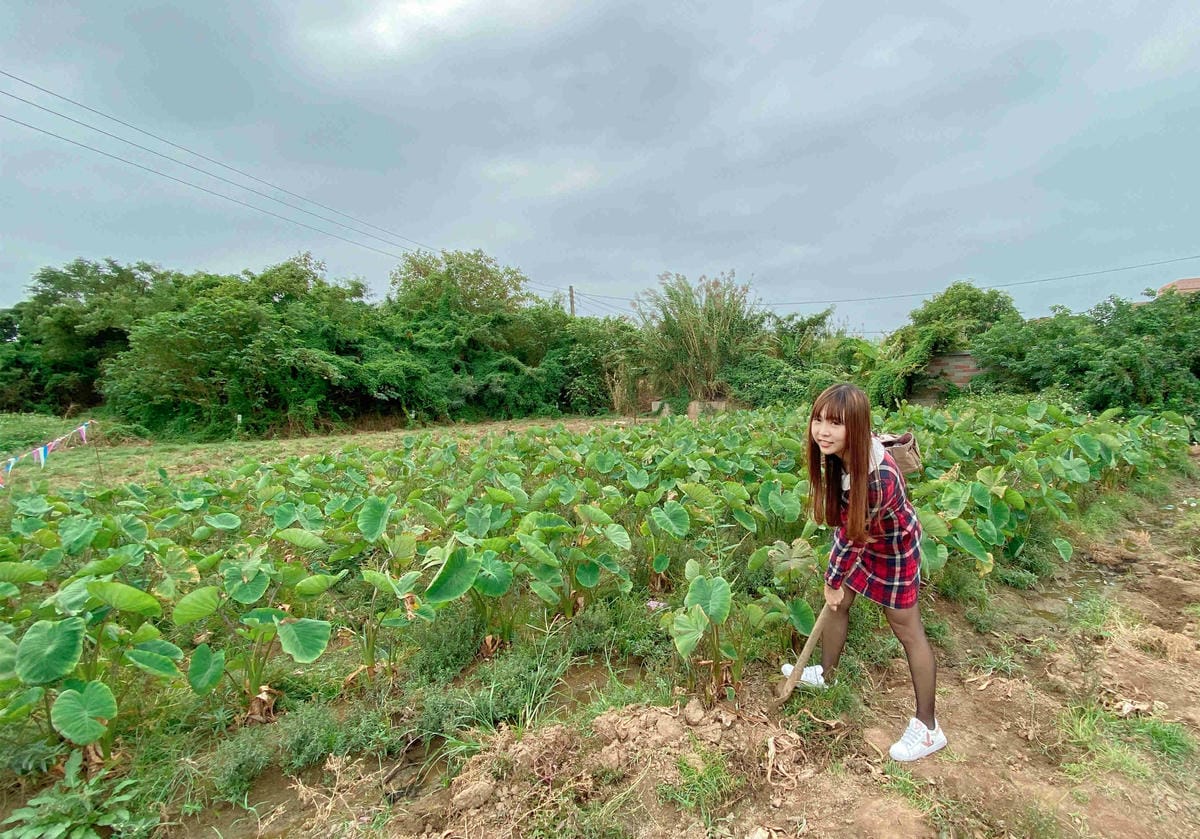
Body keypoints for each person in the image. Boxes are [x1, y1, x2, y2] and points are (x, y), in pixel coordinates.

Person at [780, 382, 946, 762]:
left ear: (854, 427)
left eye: (835, 424)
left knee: (907, 628)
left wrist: (832, 580)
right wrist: (835, 585)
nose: (822, 431)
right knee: (838, 606)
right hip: (864, 535)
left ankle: (928, 728)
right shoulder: (846, 452)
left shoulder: (876, 479)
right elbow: (850, 530)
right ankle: (827, 674)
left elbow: (851, 537)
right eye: (818, 420)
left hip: (893, 549)